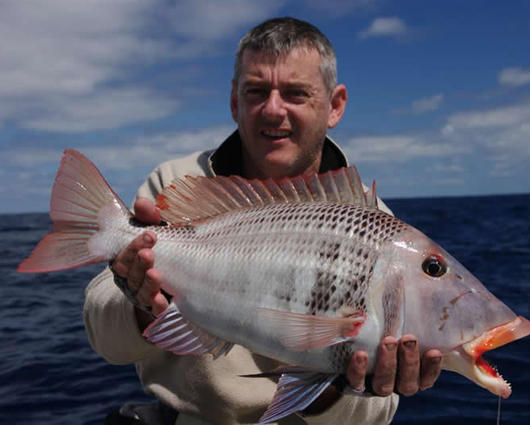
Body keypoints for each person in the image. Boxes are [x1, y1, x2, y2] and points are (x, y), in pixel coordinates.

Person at [84, 17, 442, 425]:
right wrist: (142, 304)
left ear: (335, 105)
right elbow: (104, 338)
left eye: (295, 93)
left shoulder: (375, 228)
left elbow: (374, 415)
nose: (273, 109)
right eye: (256, 92)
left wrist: (334, 386)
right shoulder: (177, 186)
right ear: (235, 102)